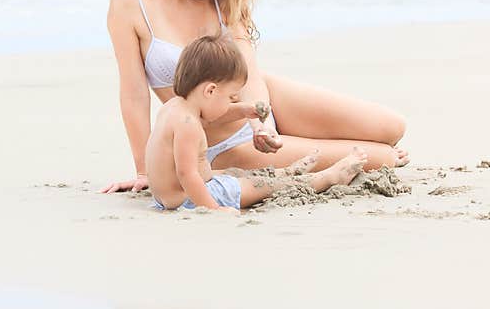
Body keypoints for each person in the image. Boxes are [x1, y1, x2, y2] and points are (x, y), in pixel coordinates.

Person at [102, 0, 407, 195]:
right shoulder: (129, 3)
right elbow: (134, 94)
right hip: (226, 143)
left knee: (393, 127)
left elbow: (249, 73)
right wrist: (144, 171)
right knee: (385, 157)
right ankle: (309, 146)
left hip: (262, 108)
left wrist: (260, 123)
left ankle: (295, 139)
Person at [147, 33, 368, 212]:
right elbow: (187, 175)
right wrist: (213, 209)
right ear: (211, 90)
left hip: (168, 197)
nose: (230, 103)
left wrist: (245, 109)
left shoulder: (176, 108)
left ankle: (287, 172)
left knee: (232, 173)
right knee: (264, 187)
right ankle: (328, 177)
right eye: (230, 97)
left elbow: (212, 116)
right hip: (191, 199)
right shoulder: (188, 124)